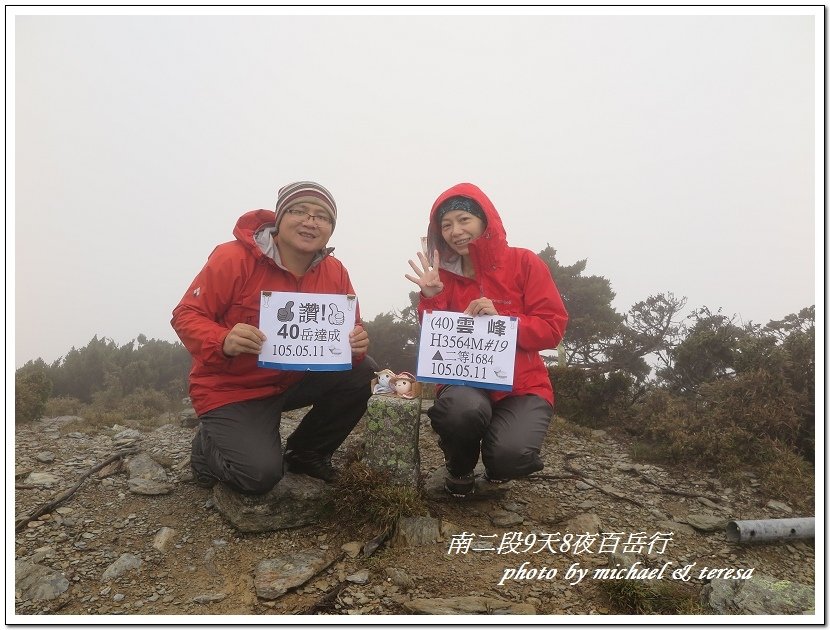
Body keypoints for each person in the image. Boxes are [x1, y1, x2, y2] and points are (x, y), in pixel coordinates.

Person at [172, 181, 377, 494]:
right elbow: (186, 315)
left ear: (331, 228)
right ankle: (206, 449)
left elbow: (351, 329)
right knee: (259, 476)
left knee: (362, 373)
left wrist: (356, 344)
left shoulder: (335, 272)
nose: (310, 221)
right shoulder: (233, 258)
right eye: (299, 211)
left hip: (291, 380)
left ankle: (307, 452)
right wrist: (222, 340)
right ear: (279, 218)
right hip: (231, 389)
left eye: (322, 216)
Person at [405, 182, 568, 497]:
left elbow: (552, 328)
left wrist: (505, 323)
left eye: (464, 219)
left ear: (485, 220)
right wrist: (431, 297)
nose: (456, 231)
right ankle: (460, 468)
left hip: (523, 387)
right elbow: (435, 338)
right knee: (460, 411)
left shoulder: (524, 263)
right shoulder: (443, 277)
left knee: (511, 456)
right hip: (464, 382)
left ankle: (497, 464)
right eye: (447, 225)